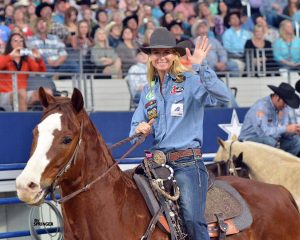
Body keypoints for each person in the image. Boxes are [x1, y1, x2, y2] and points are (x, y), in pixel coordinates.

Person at [129, 27, 231, 239]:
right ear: (150, 57)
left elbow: (224, 96)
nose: (161, 57)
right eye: (155, 53)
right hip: (156, 164)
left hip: (188, 163)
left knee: (193, 220)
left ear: (175, 55)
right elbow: (136, 126)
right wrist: (140, 129)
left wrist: (201, 65)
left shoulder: (191, 81)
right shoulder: (148, 91)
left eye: (166, 52)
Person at [239, 82, 300, 156]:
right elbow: (263, 133)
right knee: (270, 141)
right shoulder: (261, 107)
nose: (286, 106)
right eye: (285, 102)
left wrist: (293, 131)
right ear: (277, 97)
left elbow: (282, 133)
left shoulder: (283, 108)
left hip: (272, 141)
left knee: (297, 141)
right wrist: (285, 129)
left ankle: (286, 165)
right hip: (249, 139)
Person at [0, 32, 46, 111]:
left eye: (21, 41)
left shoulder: (26, 60)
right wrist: (10, 56)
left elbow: (40, 72)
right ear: (10, 44)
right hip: (4, 95)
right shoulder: (4, 57)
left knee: (45, 93)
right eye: (15, 41)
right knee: (21, 92)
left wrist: (38, 59)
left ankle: (46, 121)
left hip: (23, 94)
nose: (18, 43)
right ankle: (23, 120)